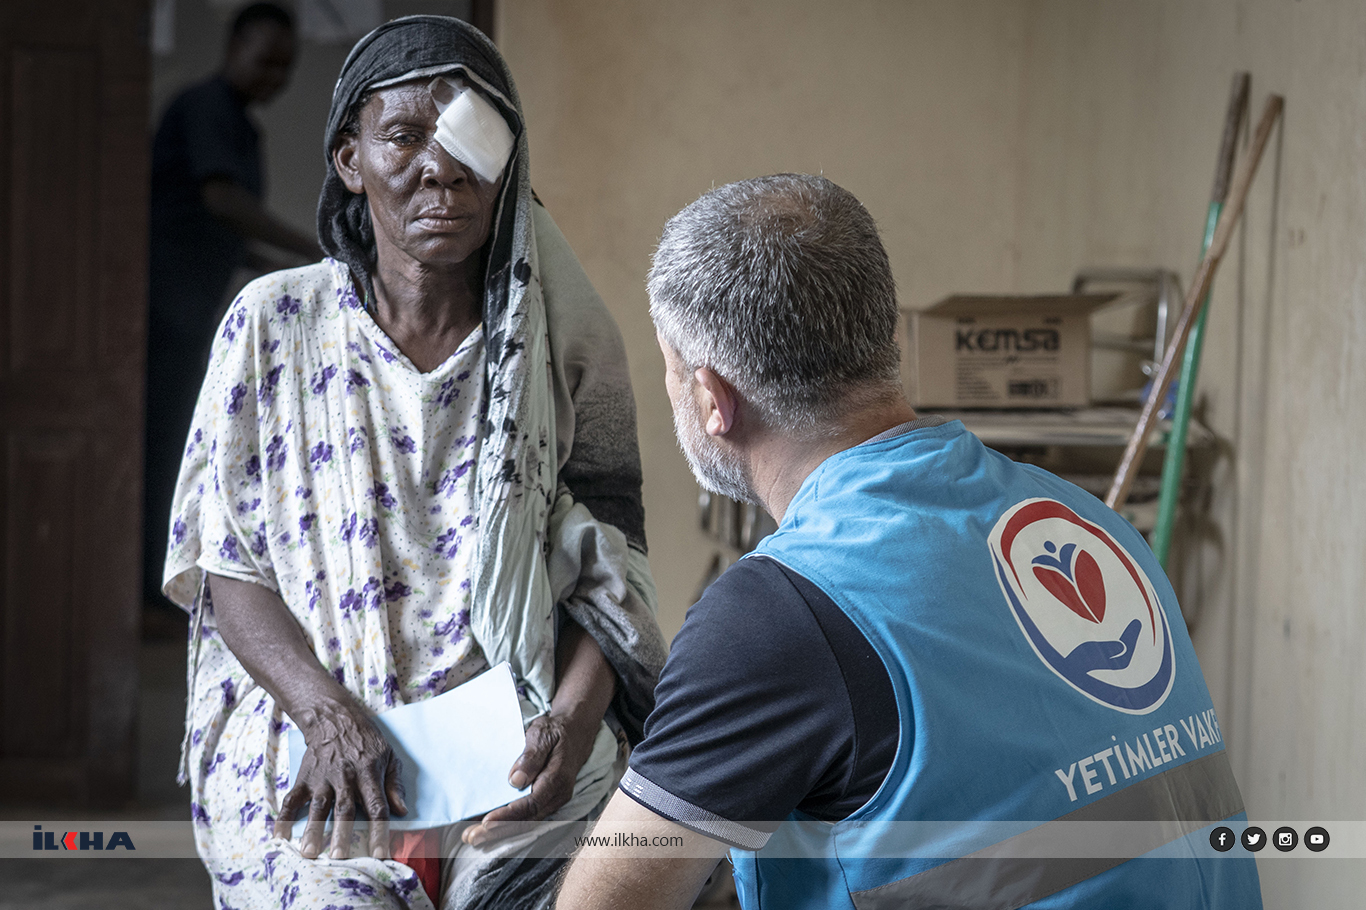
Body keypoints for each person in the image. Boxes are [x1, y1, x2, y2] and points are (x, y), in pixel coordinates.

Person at [557, 174, 1263, 909]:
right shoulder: (1084, 520)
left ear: (713, 399)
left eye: (671, 373)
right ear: (883, 339)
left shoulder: (778, 616)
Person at [163, 16, 665, 910]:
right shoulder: (272, 324)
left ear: (506, 162)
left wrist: (570, 724)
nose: (440, 168)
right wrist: (328, 717)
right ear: (350, 159)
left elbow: (612, 566)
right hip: (314, 734)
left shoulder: (562, 343)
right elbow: (226, 562)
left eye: (469, 138)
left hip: (513, 745)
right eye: (403, 136)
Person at [145, 2, 321, 614]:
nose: (276, 76)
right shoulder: (206, 108)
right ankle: (153, 599)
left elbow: (228, 239)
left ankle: (158, 596)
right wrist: (316, 246)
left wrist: (305, 272)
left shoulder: (243, 127)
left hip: (191, 310)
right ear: (234, 46)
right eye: (266, 60)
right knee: (164, 449)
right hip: (160, 309)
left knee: (175, 442)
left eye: (286, 67)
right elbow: (222, 201)